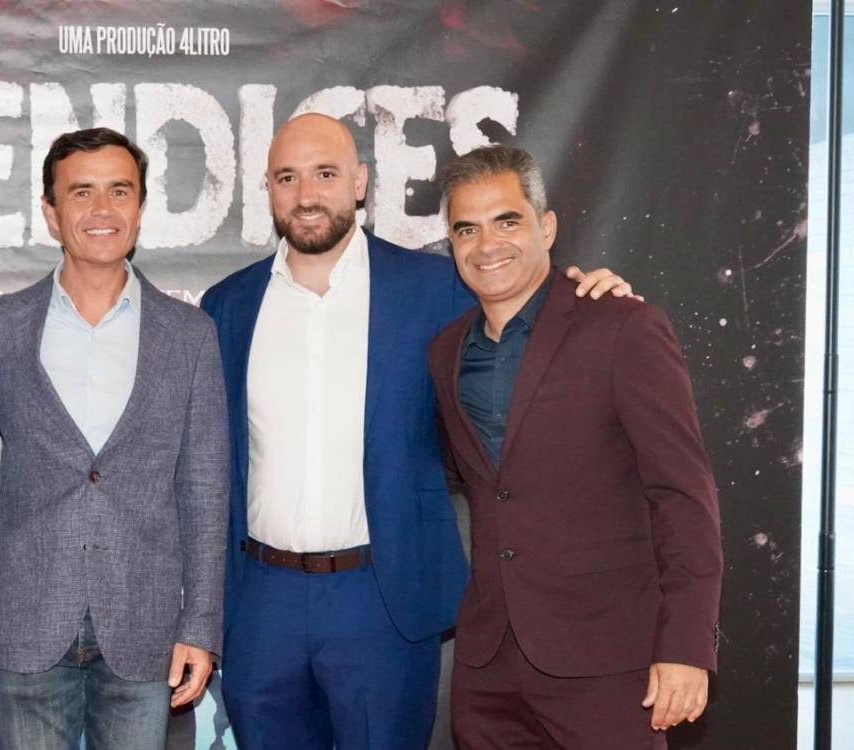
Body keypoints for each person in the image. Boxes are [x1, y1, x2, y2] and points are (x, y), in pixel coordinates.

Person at [200, 113, 633, 749]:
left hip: (384, 597)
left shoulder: (438, 288)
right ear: (268, 189)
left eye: (325, 174)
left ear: (359, 183)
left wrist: (590, 292)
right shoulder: (227, 305)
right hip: (261, 600)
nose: (307, 193)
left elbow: (526, 309)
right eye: (287, 177)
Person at [428, 144, 722, 749]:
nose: (487, 245)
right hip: (488, 669)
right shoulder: (446, 351)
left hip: (610, 663)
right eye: (467, 229)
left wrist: (687, 645)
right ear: (451, 243)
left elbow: (682, 495)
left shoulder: (622, 326)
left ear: (547, 227)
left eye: (507, 221)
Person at [0, 127, 229, 750]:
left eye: (120, 190)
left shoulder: (189, 335)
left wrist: (200, 625)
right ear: (51, 212)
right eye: (81, 192)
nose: (102, 209)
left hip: (146, 629)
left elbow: (205, 490)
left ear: (140, 208)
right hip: (28, 623)